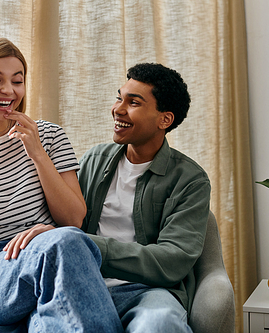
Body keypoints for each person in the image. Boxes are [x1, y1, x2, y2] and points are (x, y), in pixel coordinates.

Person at [0, 37, 123, 332]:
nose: (8, 90)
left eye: (18, 81)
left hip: (51, 255)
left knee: (60, 271)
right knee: (65, 244)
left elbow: (73, 219)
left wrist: (38, 154)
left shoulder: (49, 136)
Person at [78, 63, 211, 332]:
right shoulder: (93, 160)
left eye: (134, 102)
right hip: (85, 284)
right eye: (119, 98)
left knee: (160, 323)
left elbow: (171, 261)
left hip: (149, 292)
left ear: (165, 119)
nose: (118, 109)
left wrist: (88, 246)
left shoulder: (189, 179)